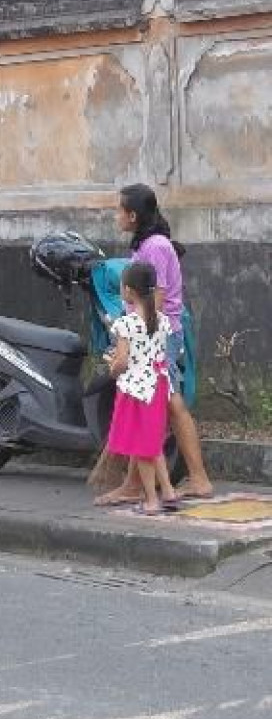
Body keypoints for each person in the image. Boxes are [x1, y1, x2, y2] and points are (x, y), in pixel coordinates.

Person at [96, 184, 214, 505]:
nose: (116, 215)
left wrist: (132, 340)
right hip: (154, 334)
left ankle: (196, 479)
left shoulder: (156, 247)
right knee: (154, 403)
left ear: (133, 215)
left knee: (169, 405)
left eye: (119, 210)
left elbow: (156, 301)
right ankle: (138, 484)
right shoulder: (147, 245)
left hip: (161, 336)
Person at [105, 263, 177, 514]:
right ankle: (167, 491)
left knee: (141, 445)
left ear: (128, 290)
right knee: (153, 439)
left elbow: (122, 362)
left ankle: (151, 500)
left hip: (136, 389)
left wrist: (112, 367)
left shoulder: (127, 324)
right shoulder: (162, 321)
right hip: (158, 384)